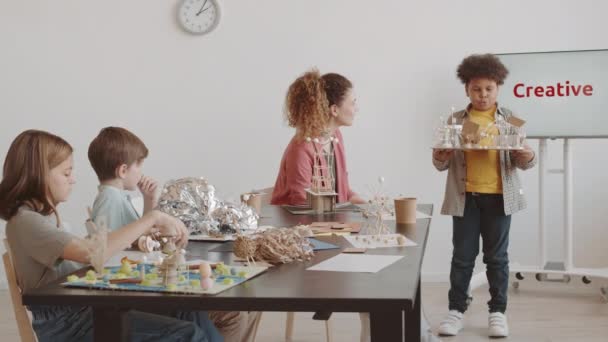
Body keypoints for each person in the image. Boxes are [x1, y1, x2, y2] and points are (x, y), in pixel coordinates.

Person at [0, 129, 221, 342]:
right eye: (66, 173)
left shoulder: (43, 218)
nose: (73, 179)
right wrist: (152, 218)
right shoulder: (26, 222)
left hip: (84, 309)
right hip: (70, 324)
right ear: (38, 175)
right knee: (188, 334)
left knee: (188, 312)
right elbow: (91, 253)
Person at [88, 126, 261, 342]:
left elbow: (135, 236)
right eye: (138, 166)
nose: (141, 172)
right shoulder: (109, 201)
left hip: (141, 285)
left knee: (241, 308)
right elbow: (116, 249)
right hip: (134, 292)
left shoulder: (116, 197)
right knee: (234, 312)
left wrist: (150, 201)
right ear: (123, 171)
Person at [433, 54, 537, 338]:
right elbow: (441, 163)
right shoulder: (457, 120)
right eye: (476, 89)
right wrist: (440, 155)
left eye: (488, 89)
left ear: (498, 88)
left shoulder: (510, 118)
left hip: (500, 198)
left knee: (497, 258)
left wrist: (528, 155)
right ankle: (456, 310)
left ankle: (498, 312)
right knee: (463, 257)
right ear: (467, 88)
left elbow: (525, 160)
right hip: (465, 197)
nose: (482, 95)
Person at [271, 69, 365, 206]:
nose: (356, 109)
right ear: (334, 110)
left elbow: (340, 190)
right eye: (353, 103)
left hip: (329, 222)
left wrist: (360, 201)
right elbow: (302, 204)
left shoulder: (336, 137)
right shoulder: (300, 149)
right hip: (298, 225)